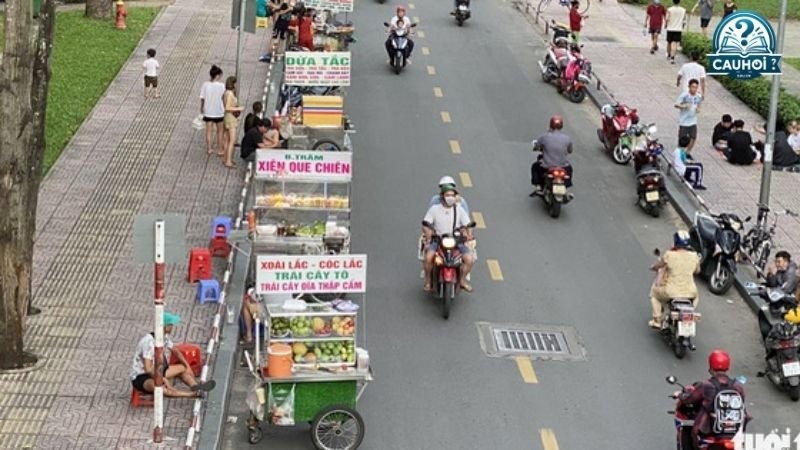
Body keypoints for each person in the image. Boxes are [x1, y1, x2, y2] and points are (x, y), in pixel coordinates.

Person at [130, 312, 216, 398]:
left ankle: (195, 387)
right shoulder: (149, 343)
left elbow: (175, 351)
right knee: (160, 388)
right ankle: (190, 395)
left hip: (158, 370)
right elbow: (148, 369)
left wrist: (187, 366)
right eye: (170, 325)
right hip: (142, 376)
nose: (172, 327)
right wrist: (161, 379)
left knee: (183, 368)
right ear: (165, 326)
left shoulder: (163, 337)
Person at [677, 350, 748, 444]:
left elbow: (689, 399)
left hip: (710, 430)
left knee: (693, 434)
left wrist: (679, 395)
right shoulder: (737, 385)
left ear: (711, 365)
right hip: (734, 430)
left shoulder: (707, 385)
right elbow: (742, 402)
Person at [422, 185, 475, 292]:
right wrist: (428, 236)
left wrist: (469, 235)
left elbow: (467, 224)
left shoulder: (459, 210)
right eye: (447, 195)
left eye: (452, 195)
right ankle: (428, 281)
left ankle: (462, 281)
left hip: (456, 241)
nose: (450, 197)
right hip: (437, 240)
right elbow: (425, 224)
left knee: (469, 259)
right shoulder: (434, 209)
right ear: (442, 196)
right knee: (428, 258)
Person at [649, 230, 700, 328]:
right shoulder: (694, 256)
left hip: (671, 292)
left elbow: (659, 266)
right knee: (697, 296)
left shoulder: (669, 255)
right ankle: (690, 311)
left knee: (654, 294)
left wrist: (653, 267)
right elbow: (697, 271)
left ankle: (657, 320)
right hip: (690, 293)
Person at [530, 115, 574, 197]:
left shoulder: (545, 137)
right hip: (563, 167)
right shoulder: (567, 138)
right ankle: (566, 187)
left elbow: (536, 146)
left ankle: (538, 186)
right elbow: (570, 151)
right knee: (570, 169)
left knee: (535, 166)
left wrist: (537, 147)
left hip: (547, 166)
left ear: (550, 125)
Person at [200, 65, 226, 156]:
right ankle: (220, 150)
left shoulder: (205, 85)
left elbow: (202, 98)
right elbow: (224, 98)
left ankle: (209, 149)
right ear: (218, 75)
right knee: (220, 132)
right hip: (219, 111)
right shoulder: (222, 86)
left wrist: (202, 108)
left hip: (208, 111)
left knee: (208, 131)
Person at [674, 78, 702, 151]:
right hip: (684, 121)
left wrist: (698, 109)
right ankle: (679, 151)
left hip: (693, 120)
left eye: (696, 87)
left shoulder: (698, 96)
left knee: (693, 137)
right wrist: (683, 106)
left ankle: (688, 152)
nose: (694, 89)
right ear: (689, 87)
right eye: (693, 87)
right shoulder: (684, 95)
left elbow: (699, 105)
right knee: (682, 138)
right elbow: (676, 104)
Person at [222, 76, 244, 168]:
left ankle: (226, 158)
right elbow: (227, 107)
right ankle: (228, 161)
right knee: (232, 140)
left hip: (227, 117)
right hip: (231, 118)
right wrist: (238, 108)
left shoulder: (225, 93)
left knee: (227, 139)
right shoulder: (230, 94)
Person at [665, 0, 686, 64]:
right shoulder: (683, 10)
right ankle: (672, 58)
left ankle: (668, 54)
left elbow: (667, 19)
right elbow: (684, 20)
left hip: (670, 28)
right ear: (679, 2)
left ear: (672, 2)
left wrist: (666, 25)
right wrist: (683, 26)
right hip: (678, 29)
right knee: (674, 44)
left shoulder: (669, 9)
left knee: (669, 42)